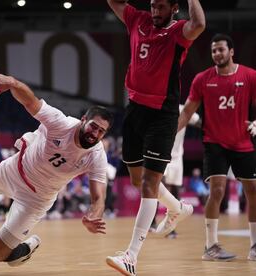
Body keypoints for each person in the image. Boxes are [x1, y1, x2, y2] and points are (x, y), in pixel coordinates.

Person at [105, 0, 205, 274]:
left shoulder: (178, 32)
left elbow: (199, 24)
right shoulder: (138, 20)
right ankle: (177, 208)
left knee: (149, 183)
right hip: (134, 109)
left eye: (161, 7)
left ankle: (131, 256)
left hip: (162, 114)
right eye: (152, 5)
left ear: (174, 8)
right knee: (137, 180)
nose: (155, 12)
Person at [0, 67, 112, 266]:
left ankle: (27, 246)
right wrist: (13, 83)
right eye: (93, 126)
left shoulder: (97, 155)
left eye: (101, 131)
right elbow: (30, 100)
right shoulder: (61, 123)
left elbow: (99, 196)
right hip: (16, 170)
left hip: (36, 199)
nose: (95, 133)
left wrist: (94, 215)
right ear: (83, 120)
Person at [178, 33, 256, 262]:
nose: (217, 54)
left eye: (221, 49)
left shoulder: (250, 76)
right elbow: (187, 112)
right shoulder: (202, 79)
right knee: (217, 191)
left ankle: (254, 246)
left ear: (231, 52)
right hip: (214, 143)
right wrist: (168, 136)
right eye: (214, 51)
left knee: (253, 191)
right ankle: (211, 246)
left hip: (242, 142)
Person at [150, 104, 200, 238]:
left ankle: (171, 225)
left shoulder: (184, 109)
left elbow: (198, 121)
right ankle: (152, 222)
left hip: (178, 158)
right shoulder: (158, 107)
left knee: (176, 191)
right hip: (161, 153)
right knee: (159, 186)